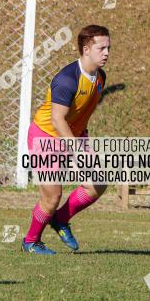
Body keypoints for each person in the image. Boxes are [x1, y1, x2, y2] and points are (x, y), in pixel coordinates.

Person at [21, 26, 111, 255]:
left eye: (109, 47)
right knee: (52, 196)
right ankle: (31, 241)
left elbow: (81, 112)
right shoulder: (67, 79)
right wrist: (77, 150)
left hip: (74, 135)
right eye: (101, 48)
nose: (107, 53)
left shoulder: (100, 77)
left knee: (98, 182)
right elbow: (58, 119)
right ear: (86, 49)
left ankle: (60, 220)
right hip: (46, 136)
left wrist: (82, 140)